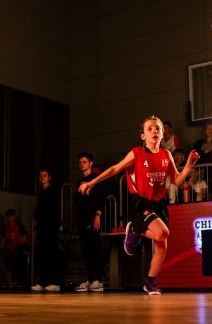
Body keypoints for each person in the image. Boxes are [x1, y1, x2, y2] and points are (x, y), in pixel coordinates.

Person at [79, 116, 199, 296]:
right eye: (150, 128)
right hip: (142, 202)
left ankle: (150, 282)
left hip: (159, 203)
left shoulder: (166, 155)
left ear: (162, 133)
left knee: (162, 246)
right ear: (143, 135)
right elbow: (115, 169)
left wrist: (188, 166)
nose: (154, 131)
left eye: (157, 128)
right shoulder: (137, 153)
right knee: (162, 233)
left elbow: (176, 180)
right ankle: (135, 229)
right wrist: (93, 182)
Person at [73, 151, 107, 292]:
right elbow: (77, 202)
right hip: (82, 220)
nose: (82, 164)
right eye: (80, 162)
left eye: (84, 162)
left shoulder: (96, 179)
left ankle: (98, 280)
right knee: (86, 251)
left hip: (93, 219)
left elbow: (101, 199)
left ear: (90, 163)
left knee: (95, 249)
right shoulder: (79, 182)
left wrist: (98, 215)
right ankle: (90, 278)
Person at [32, 169, 62, 292]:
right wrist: (35, 228)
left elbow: (55, 209)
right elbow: (38, 212)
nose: (42, 177)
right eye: (41, 176)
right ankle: (43, 282)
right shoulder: (40, 192)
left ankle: (55, 282)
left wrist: (56, 225)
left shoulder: (53, 191)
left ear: (49, 177)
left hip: (50, 226)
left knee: (51, 254)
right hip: (41, 226)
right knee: (42, 254)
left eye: (45, 175)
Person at [1, 209, 29, 287]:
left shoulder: (19, 226)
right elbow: (3, 238)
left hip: (18, 250)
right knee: (10, 267)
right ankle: (12, 282)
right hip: (8, 250)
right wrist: (2, 249)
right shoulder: (5, 227)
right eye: (8, 217)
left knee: (18, 266)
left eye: (11, 216)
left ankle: (19, 282)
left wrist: (20, 245)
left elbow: (24, 237)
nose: (9, 218)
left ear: (14, 216)